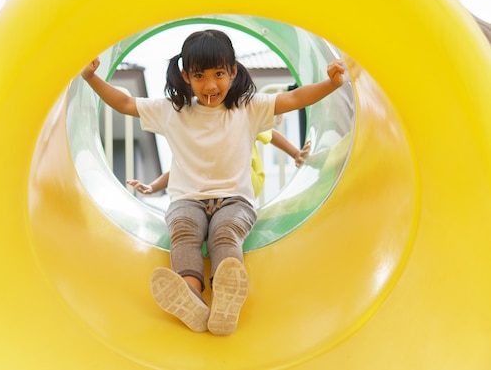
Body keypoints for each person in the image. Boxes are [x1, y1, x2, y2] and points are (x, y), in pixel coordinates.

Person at [81, 29, 345, 335]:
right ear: (185, 77)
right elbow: (126, 103)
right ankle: (191, 295)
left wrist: (331, 83)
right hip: (187, 200)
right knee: (183, 230)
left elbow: (295, 97)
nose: (210, 85)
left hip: (235, 200)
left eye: (219, 73)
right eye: (199, 75)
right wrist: (91, 78)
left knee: (224, 231)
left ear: (233, 72)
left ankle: (225, 296)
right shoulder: (172, 111)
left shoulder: (248, 108)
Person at [126, 129, 311, 197]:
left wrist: (295, 153)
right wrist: (152, 187)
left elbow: (271, 134)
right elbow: (178, 170)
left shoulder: (239, 119)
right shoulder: (198, 136)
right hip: (213, 187)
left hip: (247, 179)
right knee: (195, 173)